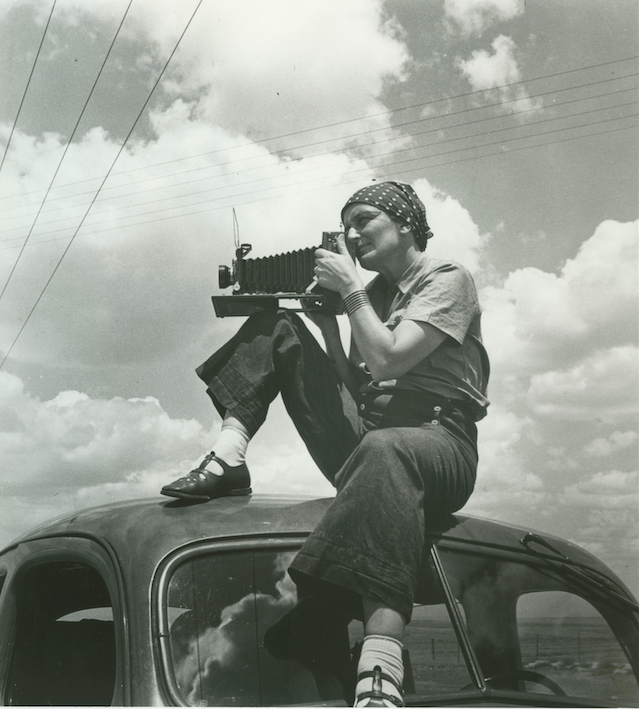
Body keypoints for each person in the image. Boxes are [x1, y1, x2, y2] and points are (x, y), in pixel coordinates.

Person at [161, 181, 489, 707]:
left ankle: (379, 671)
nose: (353, 235)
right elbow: (361, 383)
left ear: (405, 224)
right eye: (347, 227)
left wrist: (351, 293)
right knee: (281, 324)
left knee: (387, 452)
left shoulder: (447, 279)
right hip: (372, 438)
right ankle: (229, 454)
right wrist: (327, 328)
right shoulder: (375, 296)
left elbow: (388, 360)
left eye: (364, 221)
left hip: (437, 441)